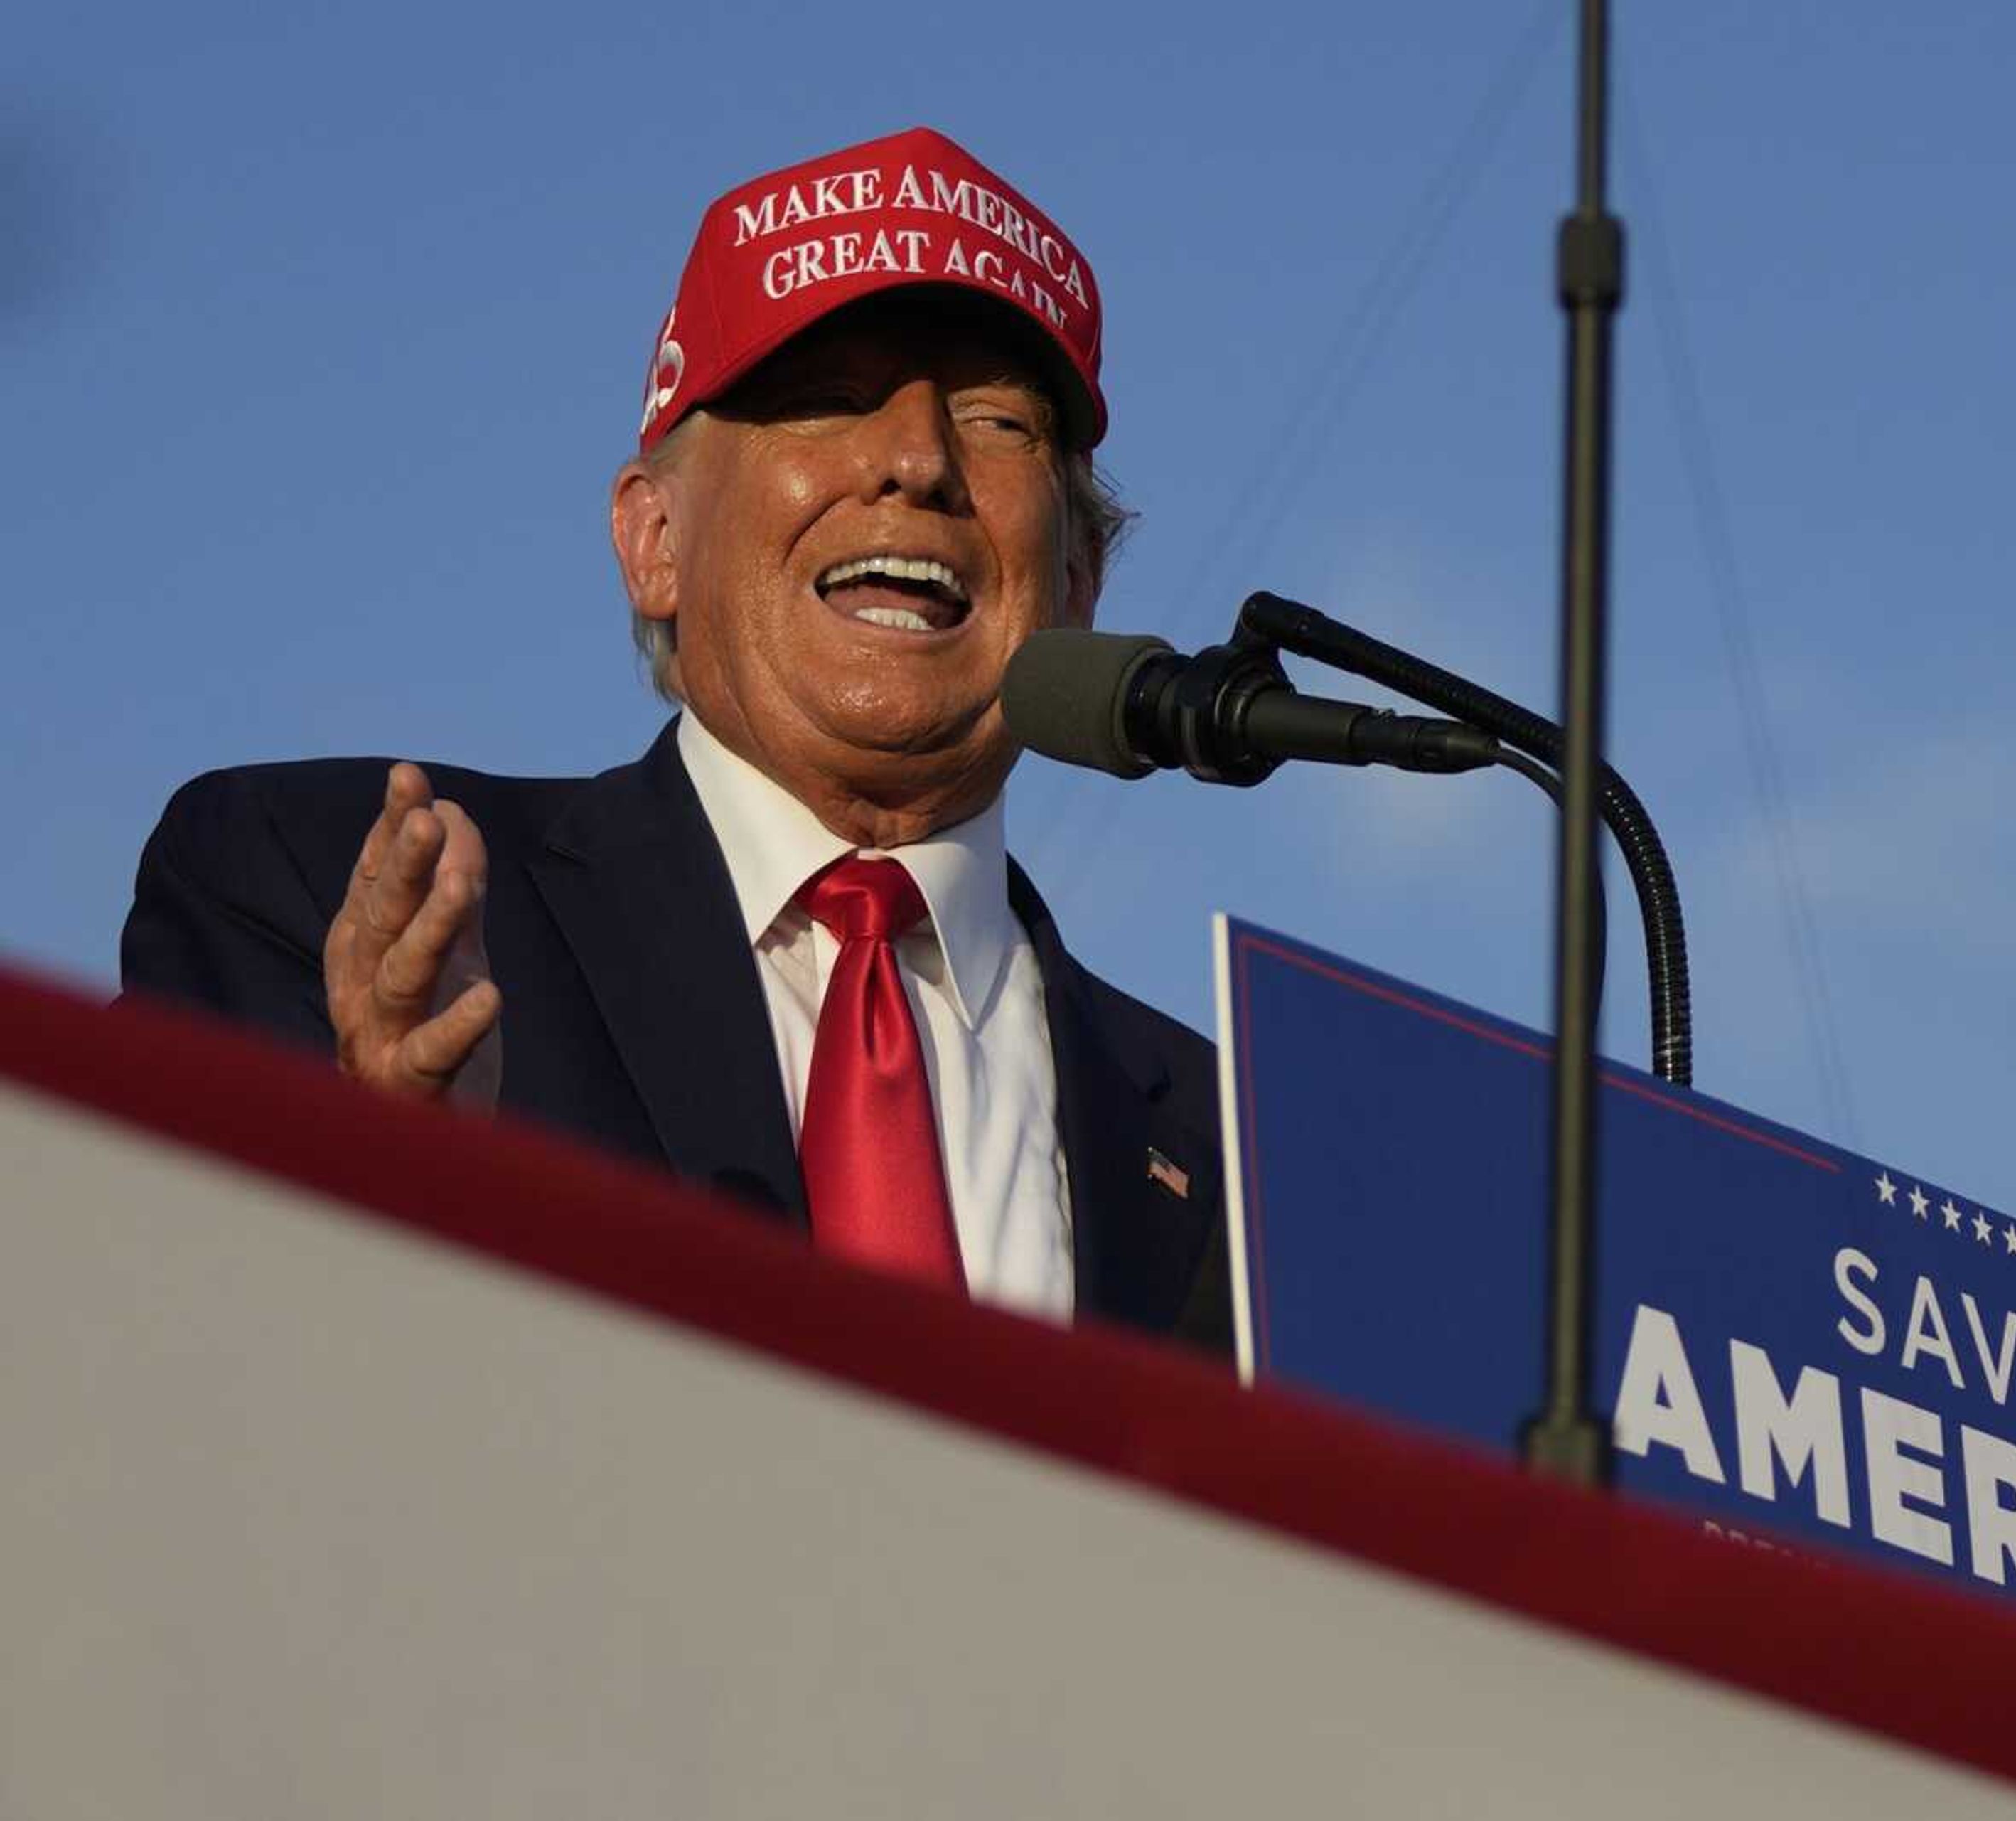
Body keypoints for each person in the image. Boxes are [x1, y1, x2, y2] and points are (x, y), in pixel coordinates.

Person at [118, 127, 1229, 1356]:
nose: (917, 462)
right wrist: (385, 1183)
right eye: (825, 398)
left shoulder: (1237, 1161)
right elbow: (182, 1411)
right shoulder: (313, 880)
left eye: (998, 422)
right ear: (654, 540)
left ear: (1077, 584)